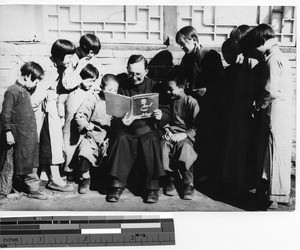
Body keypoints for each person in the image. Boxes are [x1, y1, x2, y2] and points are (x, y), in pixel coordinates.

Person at [105, 55, 170, 203]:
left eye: (138, 74)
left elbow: (167, 110)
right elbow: (115, 110)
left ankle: (152, 188)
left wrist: (161, 115)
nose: (134, 77)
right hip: (128, 130)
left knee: (152, 140)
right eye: (131, 73)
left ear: (146, 71)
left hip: (148, 129)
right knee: (120, 138)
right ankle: (117, 185)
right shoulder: (122, 86)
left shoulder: (155, 86)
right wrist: (121, 119)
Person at [241, 23, 293, 209]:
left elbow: (270, 91)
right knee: (279, 155)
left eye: (255, 46)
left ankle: (273, 199)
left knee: (271, 155)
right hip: (283, 113)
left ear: (262, 42)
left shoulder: (272, 60)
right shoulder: (279, 57)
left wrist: (258, 107)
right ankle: (281, 195)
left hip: (274, 113)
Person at [176, 26, 223, 182]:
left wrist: (206, 90)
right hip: (192, 104)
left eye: (183, 44)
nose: (182, 48)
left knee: (207, 138)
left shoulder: (210, 55)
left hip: (209, 104)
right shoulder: (186, 59)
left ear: (194, 40)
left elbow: (218, 82)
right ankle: (193, 172)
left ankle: (206, 173)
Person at [217, 25, 259, 196]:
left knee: (243, 147)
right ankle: (234, 180)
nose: (233, 44)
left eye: (234, 40)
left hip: (245, 109)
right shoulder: (244, 58)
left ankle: (242, 183)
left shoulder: (251, 59)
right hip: (238, 108)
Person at [32, 39, 77, 192]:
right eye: (68, 56)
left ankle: (44, 175)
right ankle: (56, 178)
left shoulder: (59, 67)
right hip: (47, 112)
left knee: (47, 142)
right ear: (58, 57)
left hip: (50, 112)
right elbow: (36, 97)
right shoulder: (50, 71)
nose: (71, 59)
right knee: (53, 143)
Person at [0, 62, 48, 201]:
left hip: (26, 136)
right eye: (36, 79)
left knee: (29, 162)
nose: (37, 83)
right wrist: (8, 131)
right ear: (27, 76)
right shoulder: (12, 91)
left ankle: (32, 189)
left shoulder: (24, 91)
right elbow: (5, 114)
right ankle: (3, 192)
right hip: (14, 136)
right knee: (8, 164)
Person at [75, 74, 119, 194]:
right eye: (109, 90)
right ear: (101, 87)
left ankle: (103, 181)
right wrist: (85, 123)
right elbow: (81, 114)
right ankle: (85, 178)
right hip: (92, 135)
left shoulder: (116, 103)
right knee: (84, 153)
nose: (112, 93)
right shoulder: (93, 99)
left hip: (107, 136)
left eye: (115, 91)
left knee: (108, 156)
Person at [161, 66, 199, 200]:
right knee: (164, 146)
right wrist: (166, 130)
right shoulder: (167, 101)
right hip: (170, 133)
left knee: (185, 147)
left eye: (171, 89)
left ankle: (188, 182)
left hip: (185, 135)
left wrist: (185, 135)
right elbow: (164, 119)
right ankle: (170, 179)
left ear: (182, 87)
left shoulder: (191, 102)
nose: (167, 91)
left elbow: (198, 126)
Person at [57, 64, 99, 176]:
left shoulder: (92, 93)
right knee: (67, 149)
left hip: (81, 127)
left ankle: (75, 172)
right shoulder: (71, 90)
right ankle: (65, 172)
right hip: (68, 125)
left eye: (93, 81)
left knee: (78, 148)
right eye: (89, 81)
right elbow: (60, 101)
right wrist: (61, 116)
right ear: (81, 78)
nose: (91, 84)